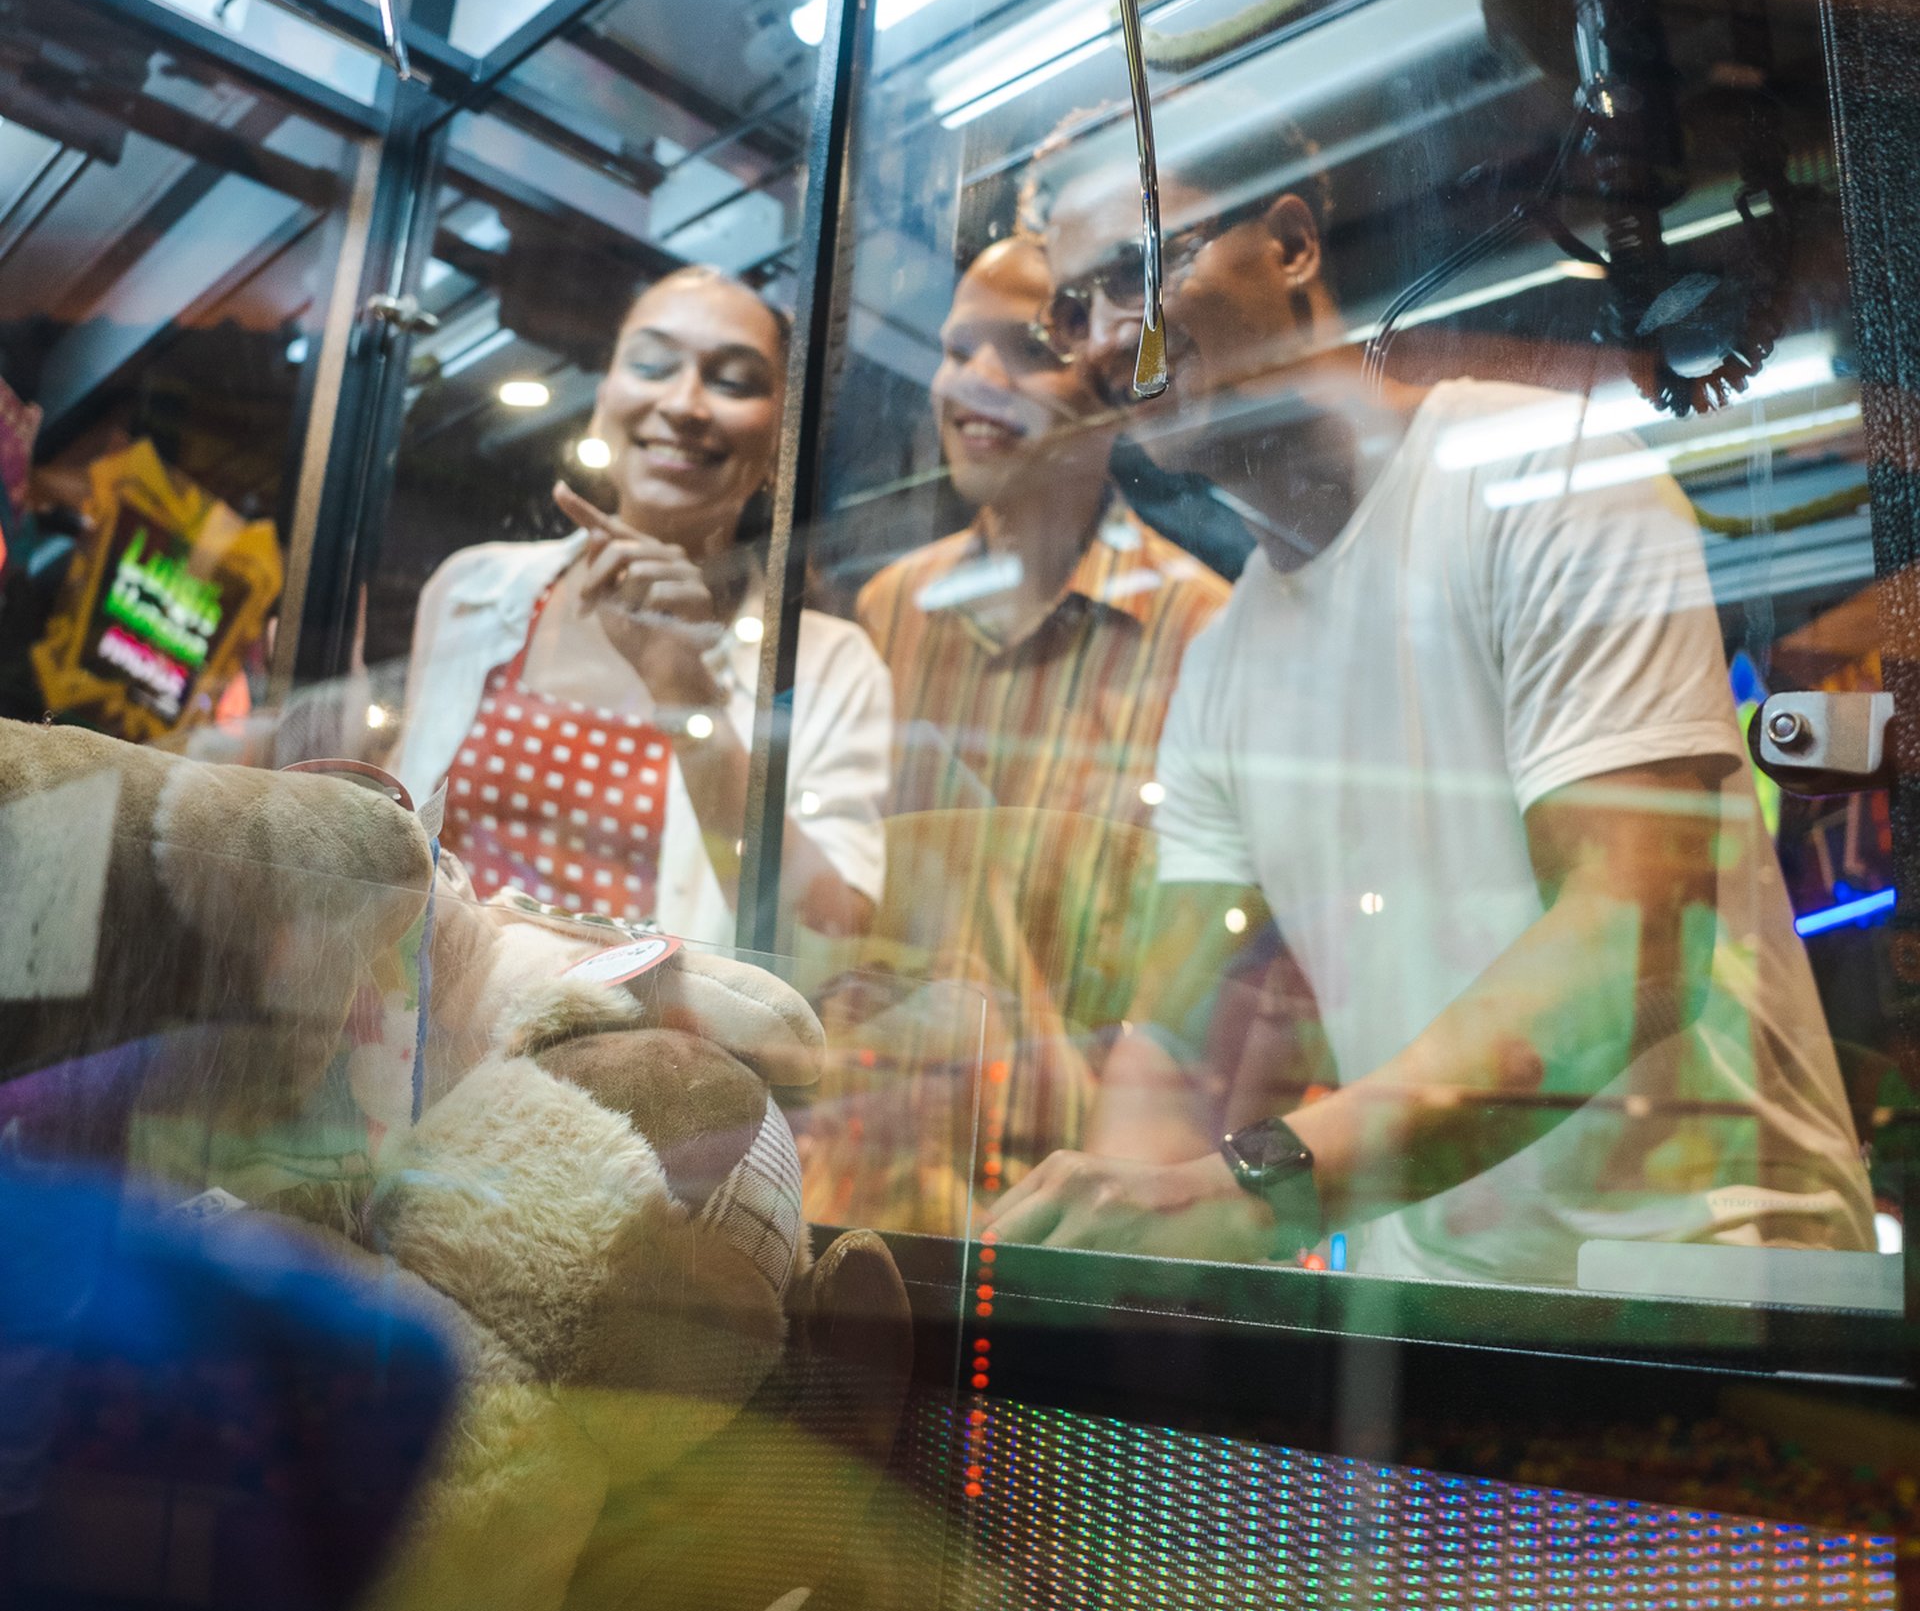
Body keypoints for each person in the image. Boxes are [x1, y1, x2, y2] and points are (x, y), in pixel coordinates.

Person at [993, 141, 1875, 1285]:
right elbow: (1182, 1049)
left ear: (1292, 244)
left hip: (1709, 1284)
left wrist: (1255, 1190)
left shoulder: (1540, 475)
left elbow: (1632, 945)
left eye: (1137, 269)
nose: (1110, 335)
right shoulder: (1218, 668)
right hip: (1433, 1314)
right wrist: (1085, 1247)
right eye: (1071, 312)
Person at [848, 232, 1228, 1198]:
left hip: (1071, 1197)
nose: (974, 381)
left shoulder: (1201, 630)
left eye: (1026, 349)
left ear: (1108, 369)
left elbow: (1205, 986)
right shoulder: (893, 609)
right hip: (873, 1172)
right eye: (955, 348)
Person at [395, 265, 889, 949]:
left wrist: (688, 696)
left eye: (733, 382)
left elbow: (827, 938)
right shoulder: (471, 590)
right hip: (426, 1009)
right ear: (603, 401)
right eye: (652, 366)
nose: (684, 403)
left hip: (650, 1023)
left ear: (782, 435)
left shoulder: (829, 665)